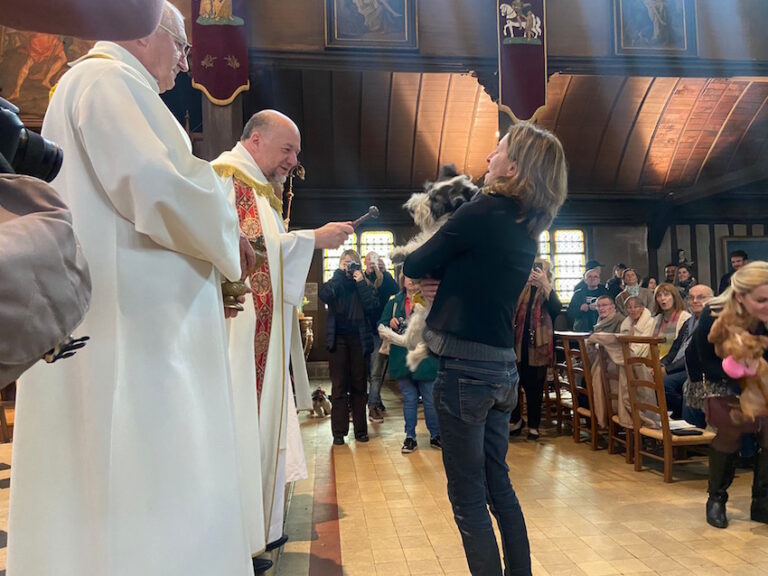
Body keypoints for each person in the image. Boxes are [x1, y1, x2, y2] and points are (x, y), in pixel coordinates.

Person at [10, 5, 258, 575]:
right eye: (182, 47)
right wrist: (227, 234)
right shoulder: (106, 80)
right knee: (146, 473)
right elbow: (154, 186)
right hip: (137, 330)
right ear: (146, 34)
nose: (185, 63)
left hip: (130, 318)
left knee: (113, 476)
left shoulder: (105, 84)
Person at [403, 121, 568, 575]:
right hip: (502, 371)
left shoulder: (484, 211)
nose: (488, 159)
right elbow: (478, 277)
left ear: (513, 165)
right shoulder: (527, 222)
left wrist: (440, 275)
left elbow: (416, 261)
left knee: (468, 497)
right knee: (500, 488)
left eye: (497, 151)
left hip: (464, 371)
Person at [212, 109, 353, 566]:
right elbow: (247, 258)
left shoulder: (259, 192)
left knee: (262, 427)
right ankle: (237, 534)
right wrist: (313, 238)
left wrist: (309, 239)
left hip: (261, 337)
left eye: (297, 152)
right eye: (287, 149)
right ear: (254, 140)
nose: (293, 160)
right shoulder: (228, 179)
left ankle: (259, 528)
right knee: (239, 426)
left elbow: (269, 252)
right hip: (237, 335)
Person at [685, 262, 768, 529]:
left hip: (761, 379)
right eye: (761, 299)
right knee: (731, 431)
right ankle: (716, 499)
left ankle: (762, 502)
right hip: (720, 380)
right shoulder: (715, 312)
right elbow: (701, 357)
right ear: (741, 295)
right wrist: (739, 377)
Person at [320, 249, 381, 445]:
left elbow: (371, 306)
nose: (349, 266)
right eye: (345, 263)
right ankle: (339, 432)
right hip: (337, 340)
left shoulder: (363, 284)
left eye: (353, 263)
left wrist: (361, 281)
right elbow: (325, 295)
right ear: (340, 264)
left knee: (359, 385)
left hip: (359, 340)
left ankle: (361, 431)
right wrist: (339, 274)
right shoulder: (335, 283)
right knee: (338, 386)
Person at [378, 275, 441, 453]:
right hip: (402, 359)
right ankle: (410, 437)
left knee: (430, 400)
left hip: (425, 359)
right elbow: (380, 323)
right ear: (402, 281)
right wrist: (389, 323)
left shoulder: (429, 299)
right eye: (408, 278)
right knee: (409, 399)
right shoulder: (395, 302)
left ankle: (435, 435)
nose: (411, 281)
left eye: (415, 278)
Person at [509, 258, 562, 441]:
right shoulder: (521, 290)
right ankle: (516, 420)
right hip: (518, 345)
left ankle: (533, 426)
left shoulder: (547, 293)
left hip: (537, 349)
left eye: (540, 270)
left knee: (535, 388)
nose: (535, 273)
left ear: (547, 274)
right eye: (533, 269)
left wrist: (545, 284)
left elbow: (556, 309)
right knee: (514, 386)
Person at [661, 284, 713, 419]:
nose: (695, 301)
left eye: (701, 297)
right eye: (691, 298)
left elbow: (696, 355)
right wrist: (661, 364)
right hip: (682, 366)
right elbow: (675, 348)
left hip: (697, 368)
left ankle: (681, 422)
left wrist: (668, 370)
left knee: (667, 383)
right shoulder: (688, 321)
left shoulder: (713, 322)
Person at [364, 251, 398, 422]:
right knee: (372, 371)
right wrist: (366, 275)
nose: (374, 264)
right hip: (363, 331)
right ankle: (374, 403)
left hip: (380, 330)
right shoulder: (361, 279)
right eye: (370, 261)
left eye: (376, 261)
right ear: (365, 263)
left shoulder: (385, 279)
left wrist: (385, 272)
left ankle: (374, 403)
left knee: (377, 370)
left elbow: (396, 292)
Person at [651, 283, 691, 358]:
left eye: (666, 295)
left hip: (673, 363)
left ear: (674, 297)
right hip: (654, 361)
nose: (663, 298)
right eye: (659, 295)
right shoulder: (657, 319)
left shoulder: (685, 317)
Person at [567, 265, 608, 332]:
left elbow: (612, 309)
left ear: (599, 280)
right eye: (589, 277)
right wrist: (580, 308)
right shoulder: (578, 294)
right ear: (585, 280)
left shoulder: (606, 293)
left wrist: (600, 308)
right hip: (583, 327)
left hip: (603, 327)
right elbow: (570, 312)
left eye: (595, 277)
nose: (593, 279)